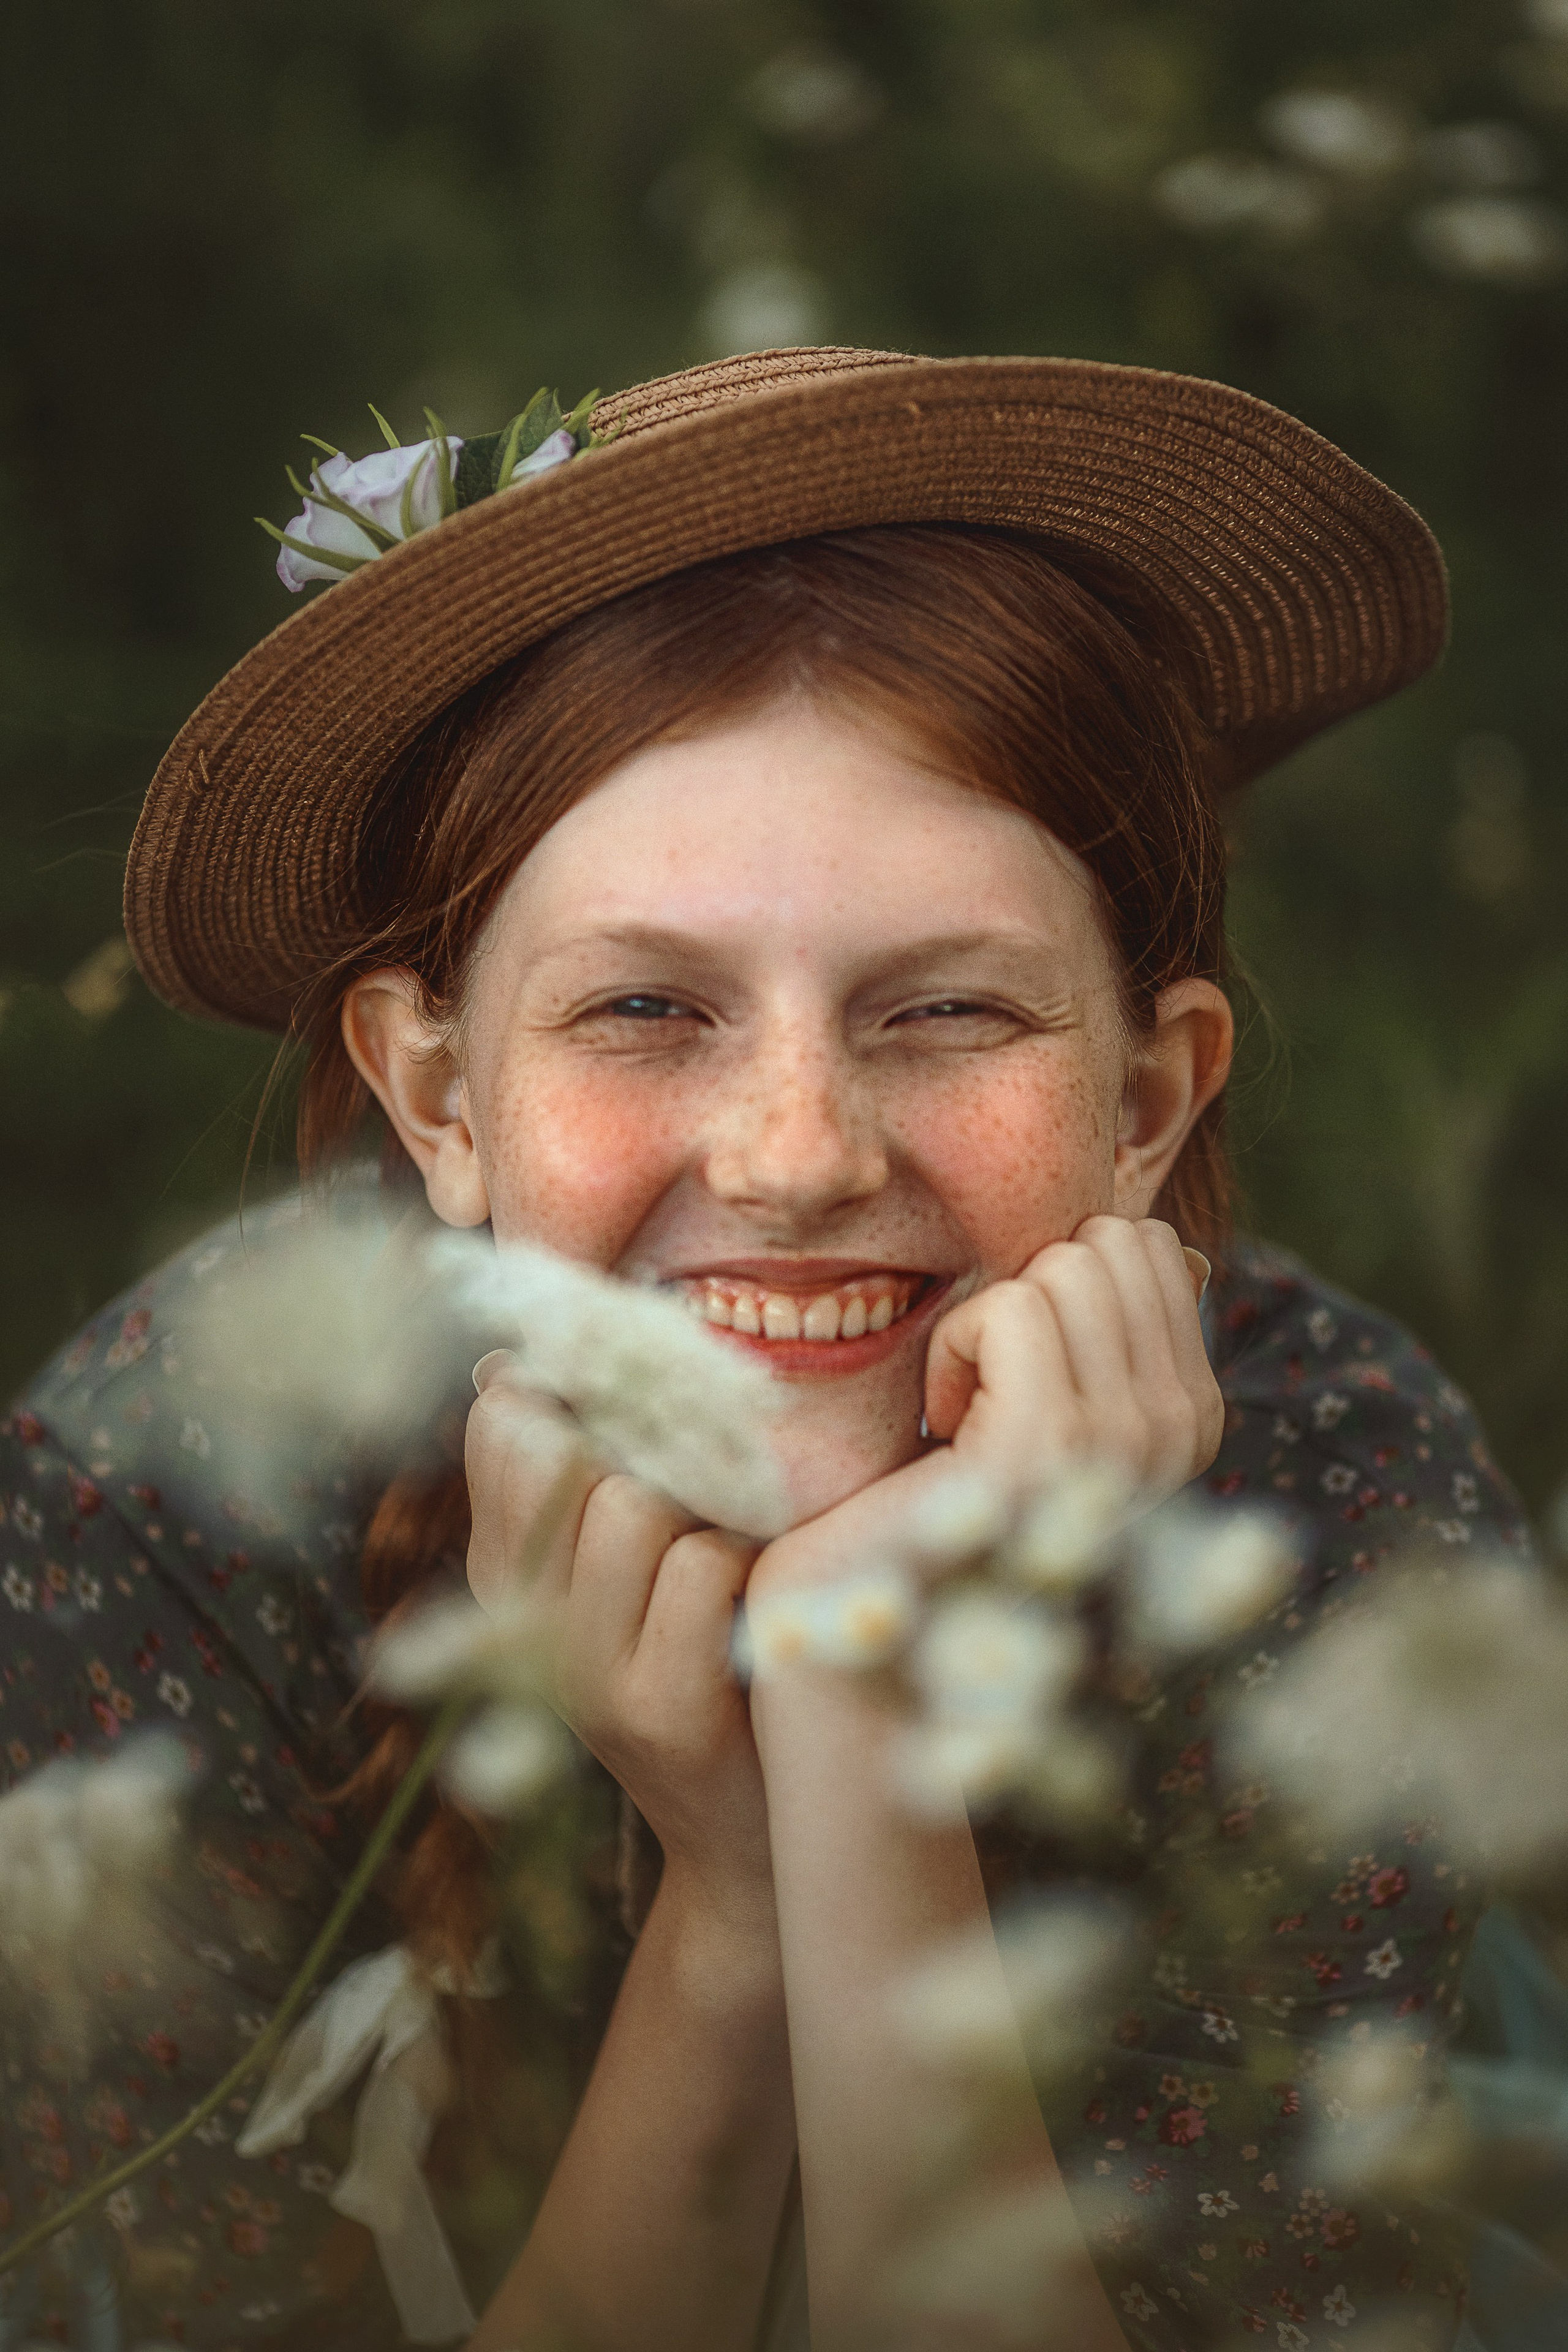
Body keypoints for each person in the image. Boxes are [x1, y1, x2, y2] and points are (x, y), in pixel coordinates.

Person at [0, 348, 1530, 2352]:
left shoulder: (1331, 1486)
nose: (798, 1156)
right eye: (647, 1009)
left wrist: (863, 1725)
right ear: (438, 1099)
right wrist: (727, 1919)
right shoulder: (195, 1472)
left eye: (951, 1013)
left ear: (1149, 1101)